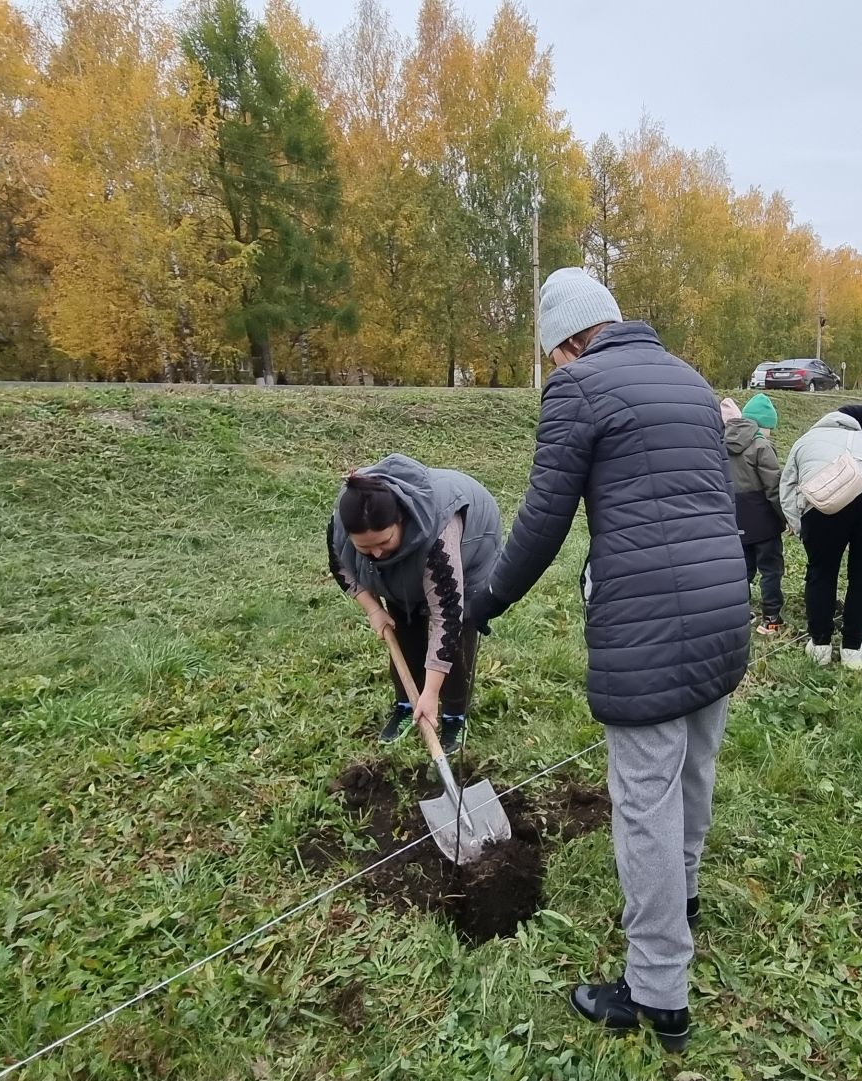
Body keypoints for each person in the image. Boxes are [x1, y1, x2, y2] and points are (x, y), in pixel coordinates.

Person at [472, 267, 750, 1051]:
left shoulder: (579, 389)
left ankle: (659, 988)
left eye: (553, 355)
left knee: (644, 799)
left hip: (650, 621)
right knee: (695, 766)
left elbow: (542, 520)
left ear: (566, 342)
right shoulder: (691, 380)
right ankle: (684, 896)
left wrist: (486, 602)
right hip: (722, 601)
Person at [329, 455, 499, 754]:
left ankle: (454, 715)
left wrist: (432, 693)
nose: (377, 554)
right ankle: (407, 702)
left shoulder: (439, 536)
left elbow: (447, 618)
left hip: (471, 549)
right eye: (365, 547)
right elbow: (341, 566)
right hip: (412, 559)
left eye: (384, 542)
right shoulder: (344, 523)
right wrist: (374, 609)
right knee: (404, 624)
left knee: (455, 641)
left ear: (401, 520)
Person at [779, 412, 862, 666]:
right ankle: (853, 650)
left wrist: (800, 529)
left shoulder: (807, 439)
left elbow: (786, 488)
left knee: (822, 570)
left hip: (828, 493)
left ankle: (820, 646)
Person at [722, 393, 786, 635]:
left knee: (742, 568)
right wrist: (785, 517)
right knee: (770, 569)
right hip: (763, 520)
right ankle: (771, 618)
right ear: (763, 425)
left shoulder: (722, 442)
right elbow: (773, 487)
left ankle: (739, 613)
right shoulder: (762, 446)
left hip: (735, 516)